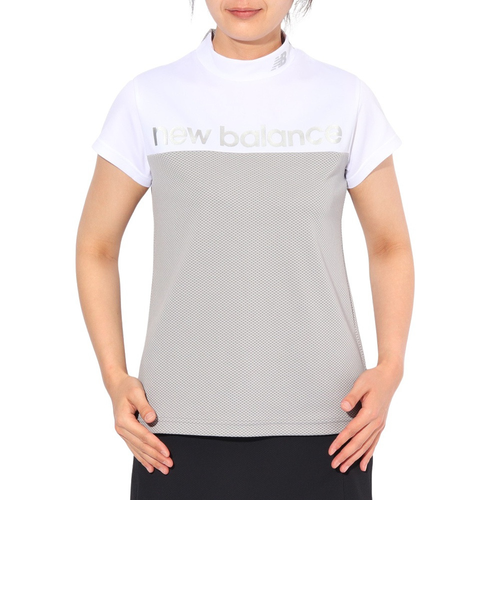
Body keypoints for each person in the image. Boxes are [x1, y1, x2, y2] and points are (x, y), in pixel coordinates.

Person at [76, 0, 414, 501]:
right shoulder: (148, 98)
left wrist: (391, 368)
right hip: (173, 427)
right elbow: (96, 246)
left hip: (329, 426)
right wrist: (114, 377)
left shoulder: (346, 98)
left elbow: (389, 245)